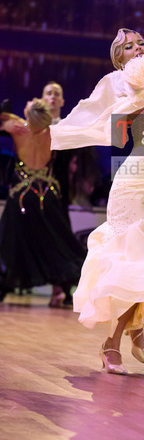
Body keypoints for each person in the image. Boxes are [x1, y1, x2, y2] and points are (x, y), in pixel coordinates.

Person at [50, 28, 144, 374]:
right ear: (120, 60)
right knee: (137, 261)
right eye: (129, 46)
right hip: (135, 183)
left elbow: (122, 134)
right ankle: (111, 343)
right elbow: (120, 135)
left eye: (141, 42)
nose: (138, 48)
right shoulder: (130, 78)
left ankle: (135, 326)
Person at [0, 99, 86, 305]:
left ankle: (5, 285)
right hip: (48, 195)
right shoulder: (54, 132)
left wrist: (7, 116)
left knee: (10, 243)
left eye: (30, 103)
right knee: (54, 243)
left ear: (29, 115)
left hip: (22, 196)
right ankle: (58, 290)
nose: (28, 101)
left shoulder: (19, 127)